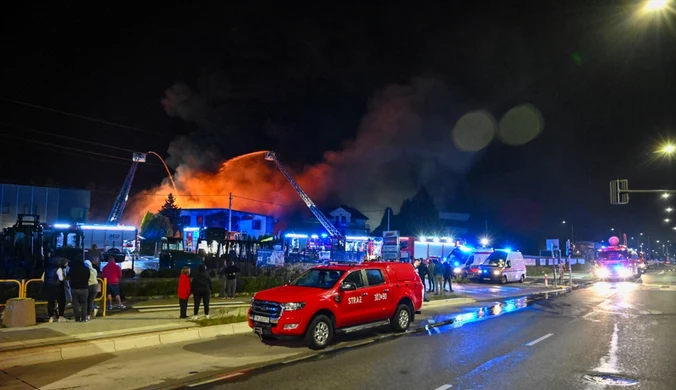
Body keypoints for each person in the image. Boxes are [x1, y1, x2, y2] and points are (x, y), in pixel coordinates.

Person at [42, 257, 67, 323]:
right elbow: (61, 279)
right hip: (58, 288)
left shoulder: (46, 269)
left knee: (50, 302)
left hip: (49, 288)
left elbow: (42, 279)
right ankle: (60, 317)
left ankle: (51, 318)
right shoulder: (58, 269)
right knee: (61, 302)